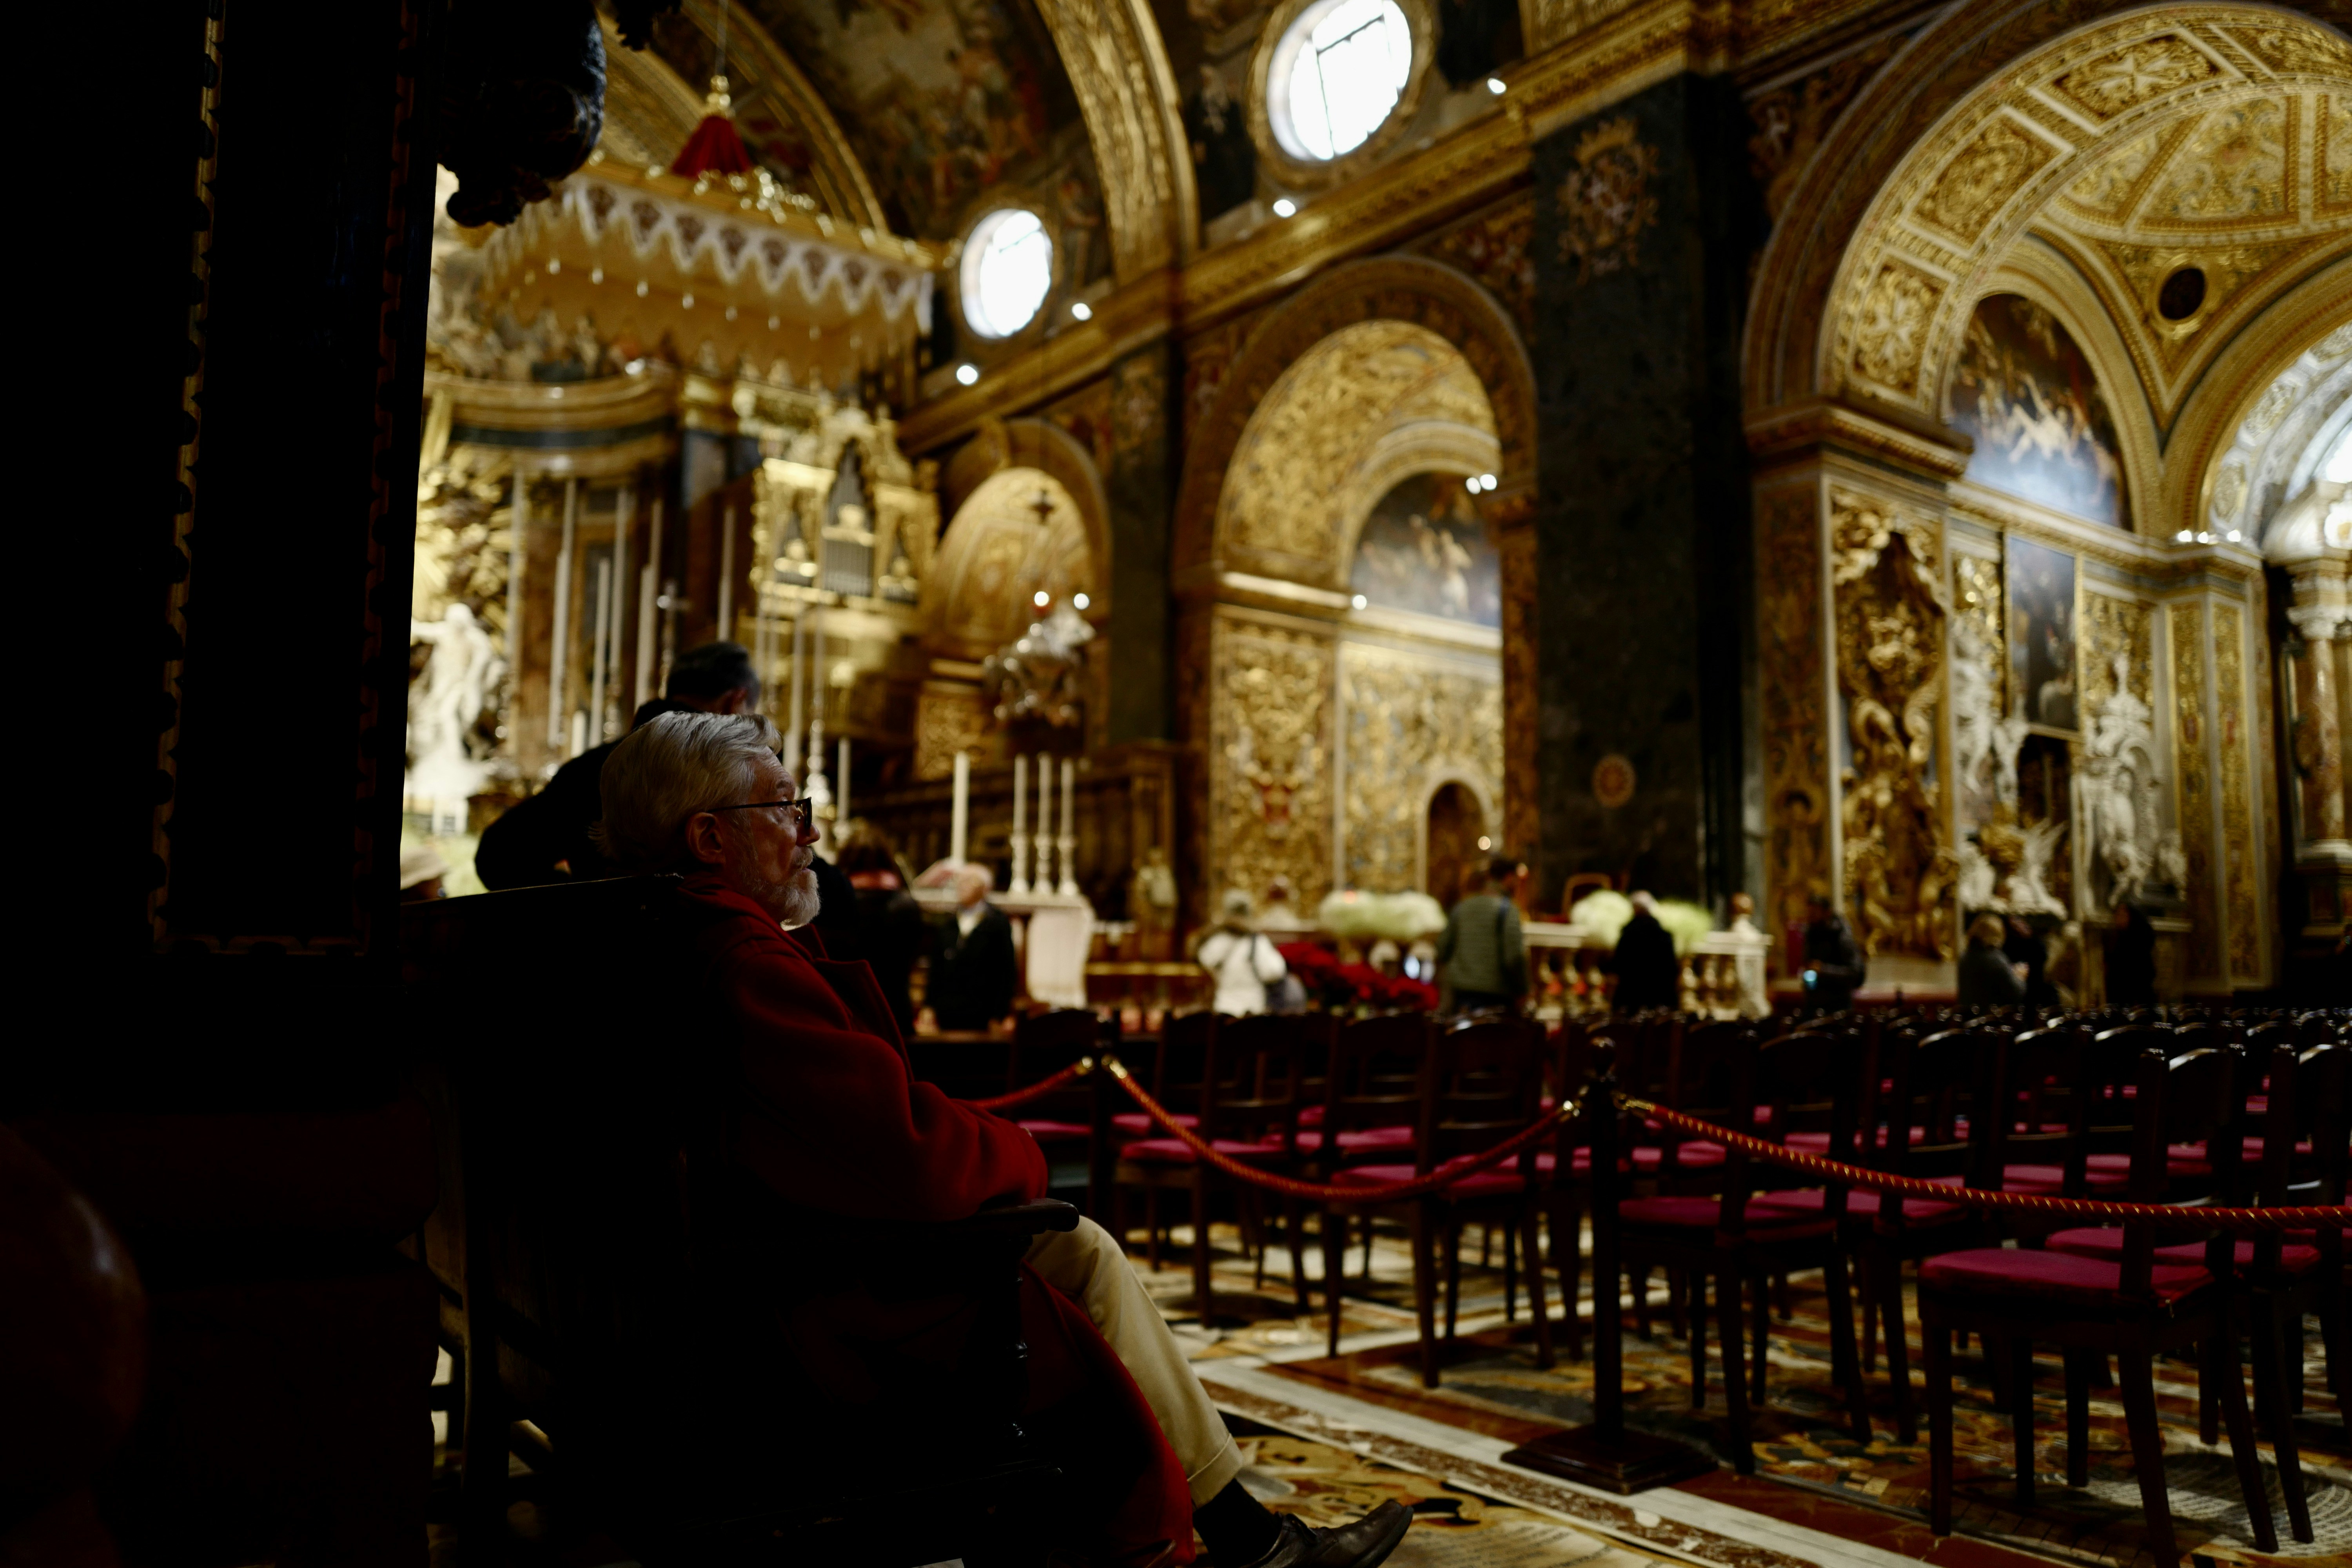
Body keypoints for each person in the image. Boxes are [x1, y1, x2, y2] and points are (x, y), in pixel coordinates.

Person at [591, 712, 1410, 1568]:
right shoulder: (741, 960)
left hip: (734, 1261)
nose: (811, 829)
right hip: (804, 1297)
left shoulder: (663, 935)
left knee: (1081, 1248)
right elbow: (911, 1161)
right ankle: (1232, 1535)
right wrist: (1018, 1151)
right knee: (1074, 1240)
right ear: (710, 836)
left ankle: (1247, 1532)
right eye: (786, 807)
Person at [474, 641, 759, 889]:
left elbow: (497, 856)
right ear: (736, 701)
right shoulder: (739, 776)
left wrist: (584, 904)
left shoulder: (590, 769)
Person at [831, 829, 926, 1037]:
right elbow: (914, 956)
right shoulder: (906, 905)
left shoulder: (835, 903)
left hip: (847, 1012)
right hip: (894, 1010)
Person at [928, 864, 1020, 1032]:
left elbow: (1006, 971)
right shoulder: (948, 922)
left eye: (968, 881)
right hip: (948, 1010)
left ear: (985, 888)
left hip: (982, 1010)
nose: (961, 886)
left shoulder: (997, 923)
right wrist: (930, 1005)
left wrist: (1000, 1014)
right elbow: (936, 967)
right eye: (959, 881)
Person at [1435, 854, 1528, 1015]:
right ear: (1509, 878)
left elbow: (1442, 949)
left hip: (1460, 997)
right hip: (1496, 999)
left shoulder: (1462, 907)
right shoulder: (1508, 910)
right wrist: (1523, 991)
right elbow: (1515, 957)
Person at [1198, 890, 1287, 1016]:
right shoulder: (1257, 942)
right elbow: (1274, 971)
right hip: (1253, 1009)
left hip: (1224, 1006)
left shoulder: (1218, 941)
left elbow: (1205, 960)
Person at [1611, 891, 1681, 1012]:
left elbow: (1619, 964)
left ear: (1634, 909)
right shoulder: (1664, 935)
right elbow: (1671, 967)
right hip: (1659, 995)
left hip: (1631, 995)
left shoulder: (1628, 934)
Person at [1800, 889, 1864, 1013]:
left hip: (1838, 1007)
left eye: (1814, 912)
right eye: (1809, 912)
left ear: (1826, 913)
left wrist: (1823, 970)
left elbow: (1856, 974)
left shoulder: (1841, 937)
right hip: (1814, 1005)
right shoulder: (1811, 933)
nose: (1810, 916)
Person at [1957, 912, 2027, 1006]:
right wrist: (2020, 977)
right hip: (1992, 1017)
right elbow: (2016, 994)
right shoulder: (1996, 959)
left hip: (1968, 1016)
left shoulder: (1965, 957)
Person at [2107, 900, 2157, 1005]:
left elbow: (2141, 971)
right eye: (2117, 915)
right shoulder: (2120, 938)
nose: (2118, 918)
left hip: (2136, 989)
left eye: (2122, 915)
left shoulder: (2139, 939)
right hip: (2120, 990)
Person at [2004, 914, 2057, 1007]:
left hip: (2036, 986)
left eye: (2021, 923)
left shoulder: (2035, 944)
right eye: (2015, 925)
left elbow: (2042, 958)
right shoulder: (2009, 945)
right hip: (2021, 990)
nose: (2022, 926)